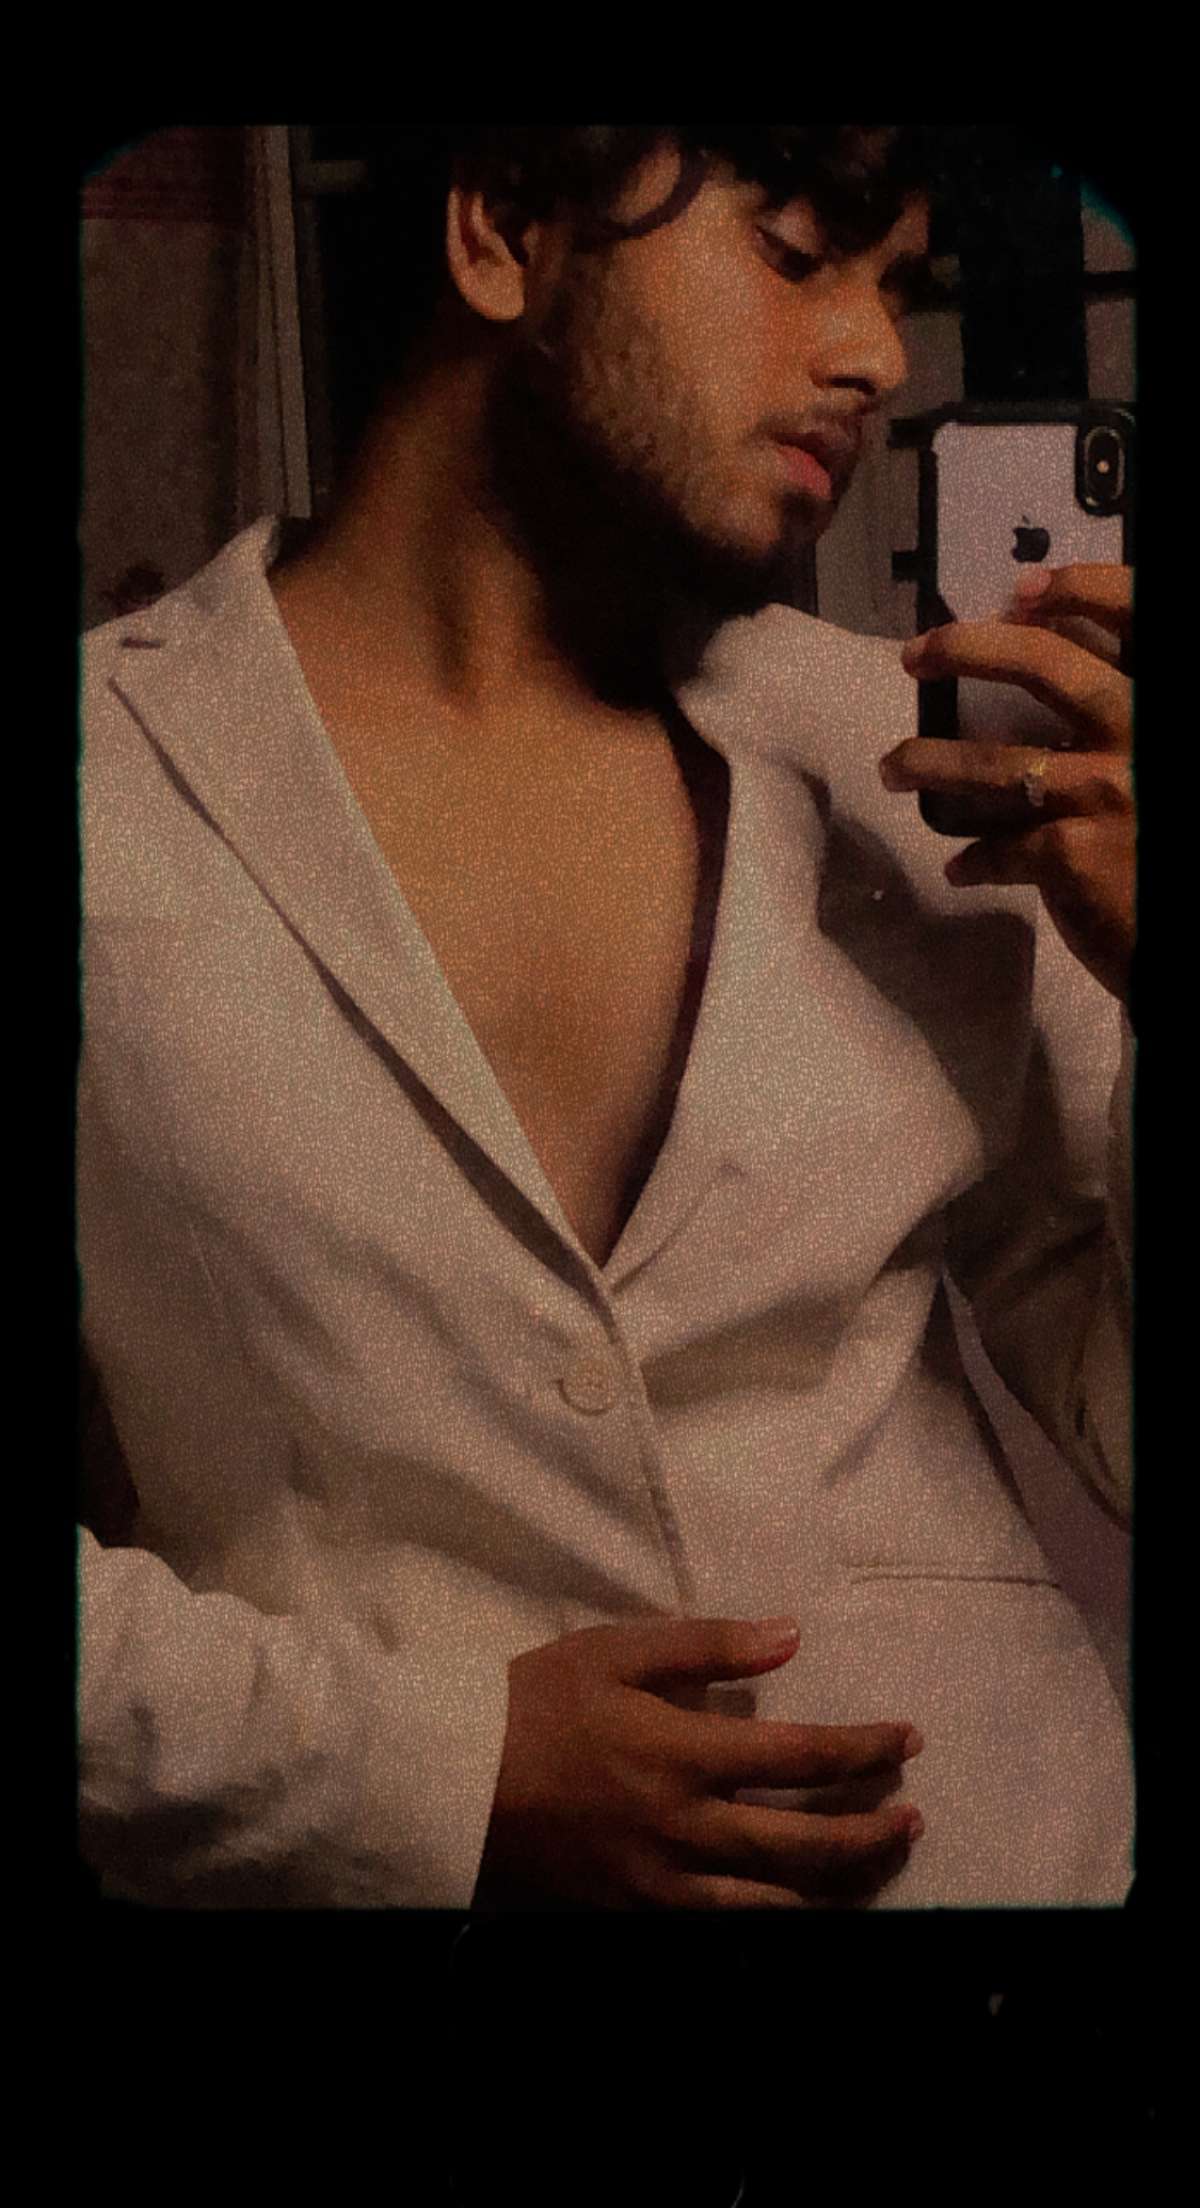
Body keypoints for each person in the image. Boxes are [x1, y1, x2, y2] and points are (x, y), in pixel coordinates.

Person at [77, 124, 1134, 1909]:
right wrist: (436, 1775)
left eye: (898, 284)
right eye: (796, 254)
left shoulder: (916, 763)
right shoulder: (113, 779)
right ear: (502, 229)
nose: (875, 352)